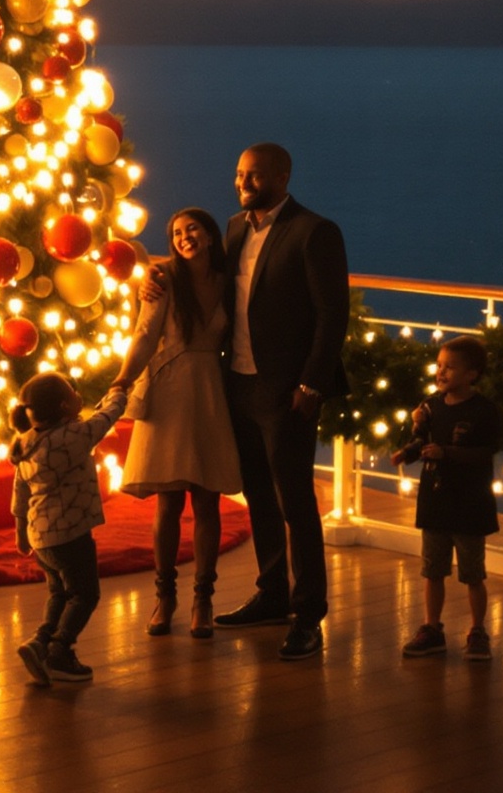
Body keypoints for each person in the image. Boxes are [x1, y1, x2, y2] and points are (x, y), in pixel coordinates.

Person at [211, 143, 349, 662]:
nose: (244, 182)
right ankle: (271, 595)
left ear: (283, 176)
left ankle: (309, 614)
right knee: (258, 499)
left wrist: (311, 385)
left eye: (255, 174)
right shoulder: (234, 228)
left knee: (296, 503)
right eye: (240, 173)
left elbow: (331, 315)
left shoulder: (315, 231)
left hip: (286, 390)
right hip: (239, 382)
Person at [105, 207, 242, 640]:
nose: (185, 237)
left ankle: (204, 598)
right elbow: (145, 334)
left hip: (209, 393)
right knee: (168, 500)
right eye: (177, 232)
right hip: (167, 391)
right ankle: (165, 597)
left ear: (209, 233)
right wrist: (124, 377)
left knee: (206, 499)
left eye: (193, 228)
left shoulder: (227, 280)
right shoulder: (161, 279)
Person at [8, 371, 126, 686]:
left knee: (59, 592)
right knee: (85, 594)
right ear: (64, 406)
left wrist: (21, 532)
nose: (78, 394)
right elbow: (106, 418)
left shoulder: (26, 443)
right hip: (70, 534)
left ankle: (40, 642)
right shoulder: (74, 436)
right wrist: (119, 391)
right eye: (73, 392)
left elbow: (20, 492)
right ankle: (60, 652)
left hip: (41, 537)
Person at [395, 335, 503, 662]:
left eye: (450, 367)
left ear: (472, 374)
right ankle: (432, 627)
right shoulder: (430, 407)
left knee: (472, 573)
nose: (441, 372)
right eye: (439, 365)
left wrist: (447, 453)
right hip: (436, 502)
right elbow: (419, 441)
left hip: (469, 504)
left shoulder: (485, 412)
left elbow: (485, 452)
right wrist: (407, 452)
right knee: (433, 570)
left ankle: (477, 629)